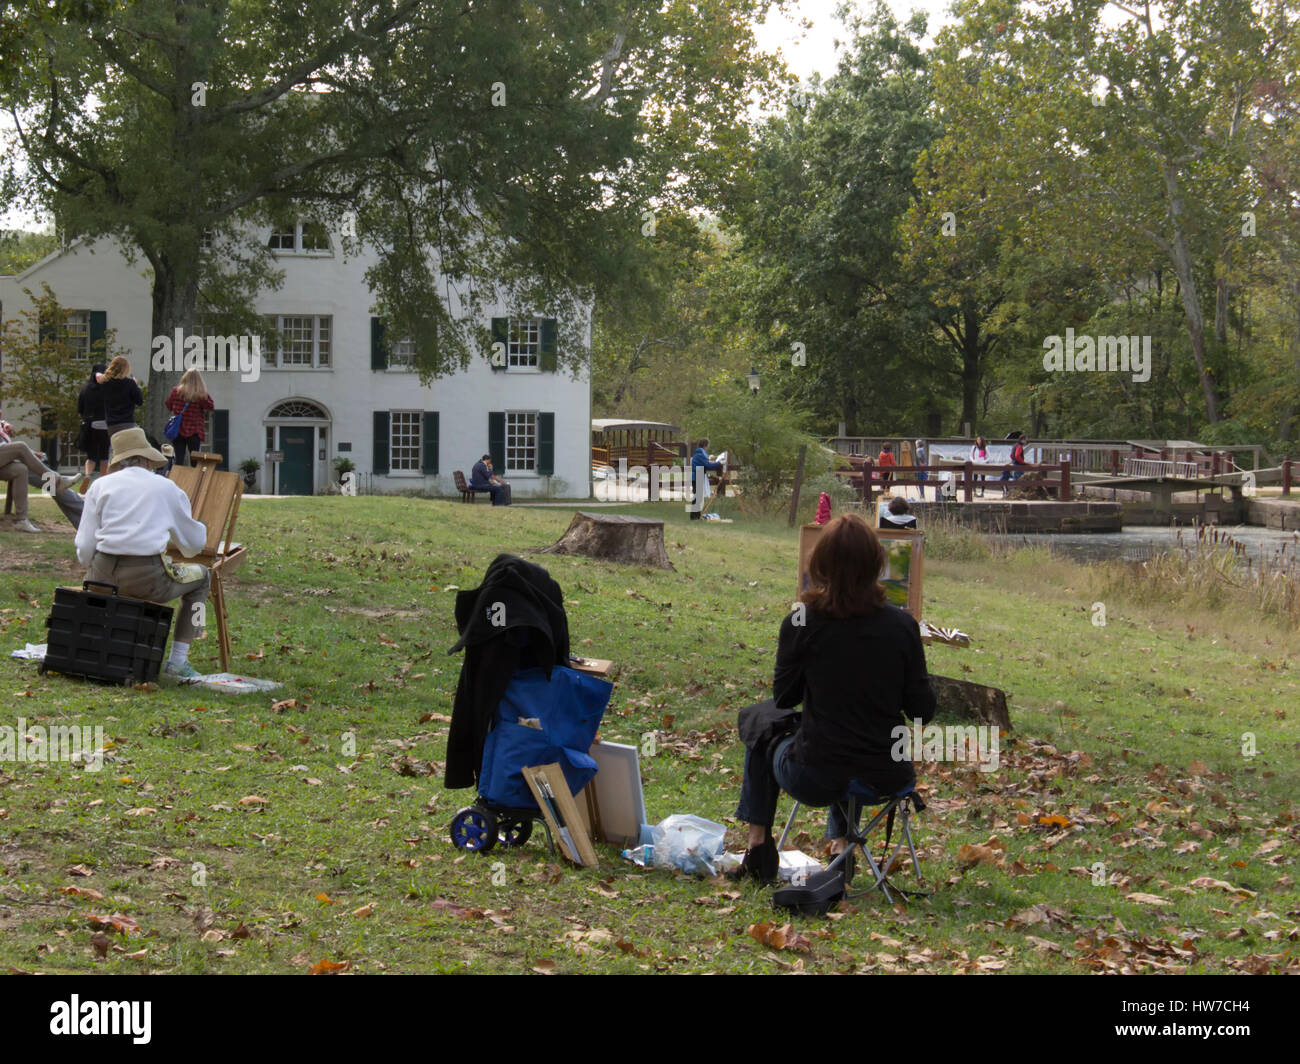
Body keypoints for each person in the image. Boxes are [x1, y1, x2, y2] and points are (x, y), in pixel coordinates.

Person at [731, 514, 936, 882]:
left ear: (820, 565)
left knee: (760, 722)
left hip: (815, 775)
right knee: (851, 740)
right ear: (876, 565)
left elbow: (784, 697)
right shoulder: (902, 626)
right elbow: (923, 710)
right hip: (886, 775)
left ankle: (758, 847)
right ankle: (842, 848)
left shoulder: (802, 621)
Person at [75, 427, 210, 683]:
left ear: (117, 462)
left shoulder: (100, 485)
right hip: (146, 581)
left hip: (99, 579)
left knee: (104, 576)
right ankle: (179, 660)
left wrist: (92, 571)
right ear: (148, 459)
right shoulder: (166, 488)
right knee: (203, 578)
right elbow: (193, 546)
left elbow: (83, 546)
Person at [0, 414, 79, 532]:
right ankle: (58, 481)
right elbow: (12, 449)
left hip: (10, 461)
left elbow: (5, 445)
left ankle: (22, 520)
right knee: (52, 483)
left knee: (21, 469)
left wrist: (4, 425)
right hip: (11, 459)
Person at [164, 369, 215, 468]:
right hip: (195, 431)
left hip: (178, 430)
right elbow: (210, 406)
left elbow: (169, 405)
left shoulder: (176, 391)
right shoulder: (201, 395)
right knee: (195, 461)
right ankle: (195, 482)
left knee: (179, 460)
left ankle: (178, 481)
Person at [76, 362, 110, 487]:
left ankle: (87, 475)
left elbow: (80, 408)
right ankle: (103, 479)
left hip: (90, 425)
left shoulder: (85, 388)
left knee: (91, 456)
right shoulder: (107, 389)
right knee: (104, 455)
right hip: (105, 425)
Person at [97, 356, 144, 438]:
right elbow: (139, 401)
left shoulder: (105, 384)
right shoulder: (130, 384)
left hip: (112, 424)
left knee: (115, 447)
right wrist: (136, 386)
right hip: (127, 423)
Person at [689, 437, 723, 520]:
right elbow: (708, 465)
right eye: (708, 445)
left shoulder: (700, 453)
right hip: (697, 476)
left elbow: (706, 464)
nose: (708, 447)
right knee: (697, 497)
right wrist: (719, 463)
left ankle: (696, 515)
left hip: (697, 475)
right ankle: (695, 516)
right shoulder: (701, 454)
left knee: (698, 497)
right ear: (705, 445)